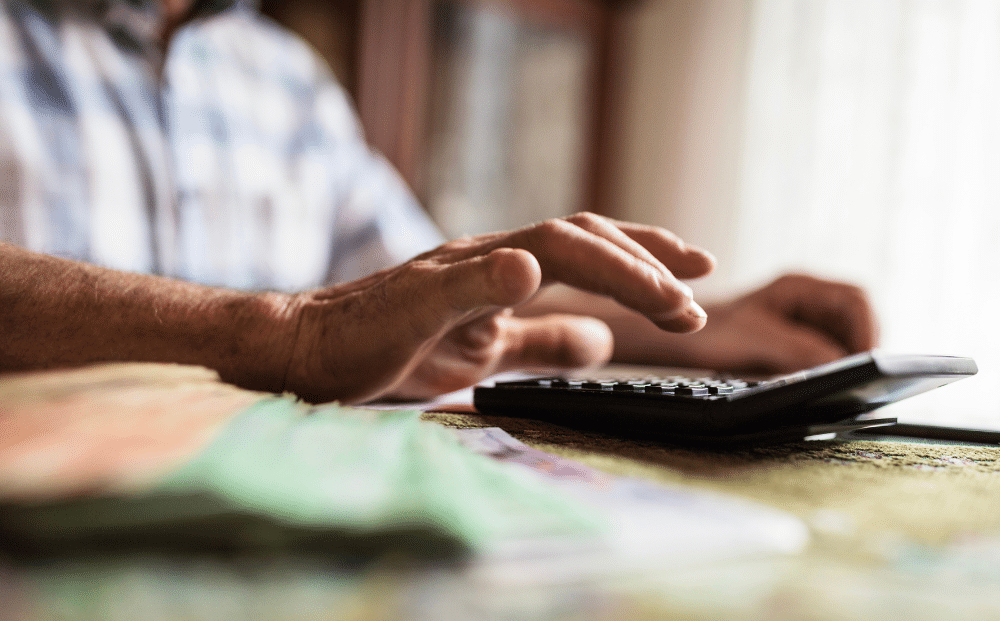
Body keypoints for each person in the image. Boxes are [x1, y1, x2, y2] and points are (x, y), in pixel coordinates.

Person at [0, 0, 877, 405]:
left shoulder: (288, 79)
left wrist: (706, 327)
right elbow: (320, 329)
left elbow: (422, 296)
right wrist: (284, 338)